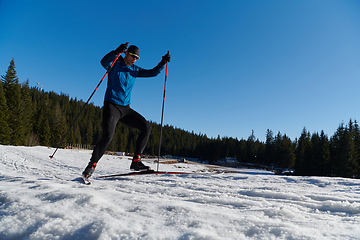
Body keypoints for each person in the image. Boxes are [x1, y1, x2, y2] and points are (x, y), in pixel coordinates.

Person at [82, 43, 170, 178]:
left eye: (137, 58)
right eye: (133, 56)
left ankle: (136, 161)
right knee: (108, 136)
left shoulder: (135, 70)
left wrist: (163, 62)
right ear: (126, 54)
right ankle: (91, 166)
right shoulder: (115, 64)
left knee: (146, 127)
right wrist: (116, 51)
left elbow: (152, 73)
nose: (134, 59)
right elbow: (103, 61)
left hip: (126, 109)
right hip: (112, 106)